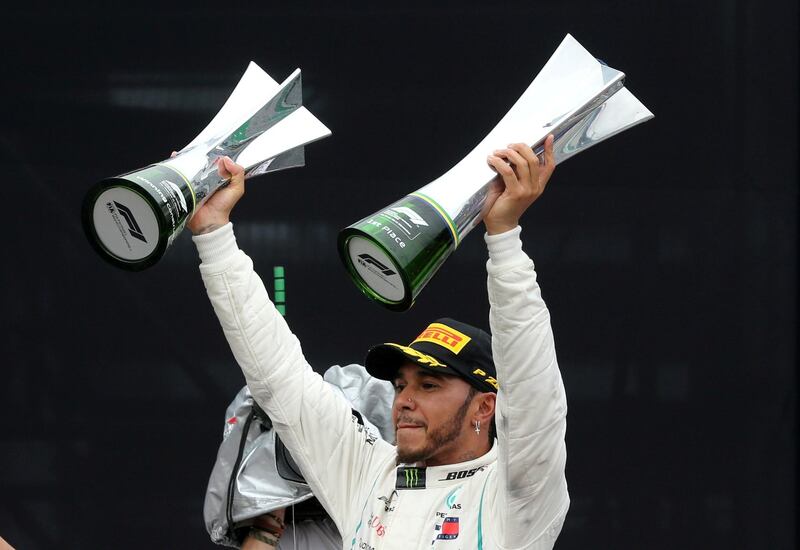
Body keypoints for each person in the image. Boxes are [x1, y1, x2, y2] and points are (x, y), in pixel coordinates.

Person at [191, 134, 569, 549]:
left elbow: (532, 387)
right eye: (401, 385)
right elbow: (278, 376)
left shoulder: (517, 496)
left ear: (484, 405)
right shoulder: (368, 475)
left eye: (428, 385)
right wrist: (214, 234)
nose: (404, 400)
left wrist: (504, 239)